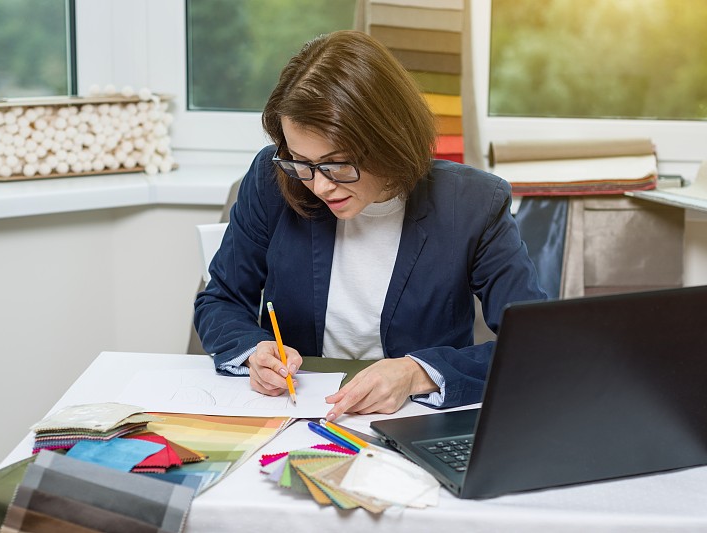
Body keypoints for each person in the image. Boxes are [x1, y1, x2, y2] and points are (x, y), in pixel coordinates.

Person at [194, 30, 546, 421]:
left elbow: (535, 343)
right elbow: (221, 299)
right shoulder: (272, 178)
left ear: (389, 140)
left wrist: (417, 374)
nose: (319, 185)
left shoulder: (474, 203)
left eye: (338, 164)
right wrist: (253, 350)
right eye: (300, 160)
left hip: (415, 420)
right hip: (299, 413)